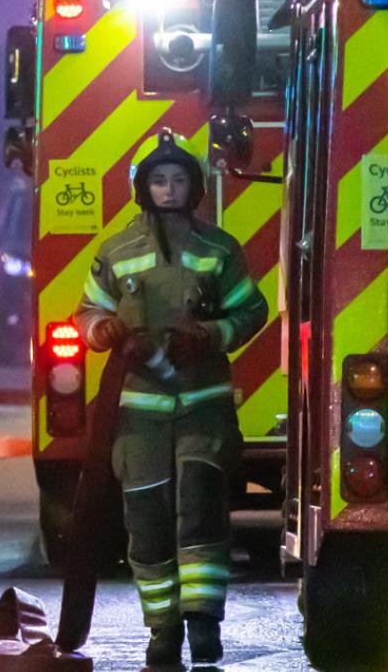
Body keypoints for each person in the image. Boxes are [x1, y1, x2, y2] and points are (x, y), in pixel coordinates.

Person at [75, 129, 268, 666]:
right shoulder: (116, 251)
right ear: (143, 187)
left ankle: (203, 623)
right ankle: (162, 630)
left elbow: (251, 311)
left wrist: (209, 335)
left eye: (178, 178)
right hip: (137, 416)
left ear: (195, 185)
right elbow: (87, 311)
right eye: (158, 180)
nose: (168, 188)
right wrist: (104, 330)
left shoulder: (218, 250)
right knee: (147, 520)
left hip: (202, 405)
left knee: (202, 511)